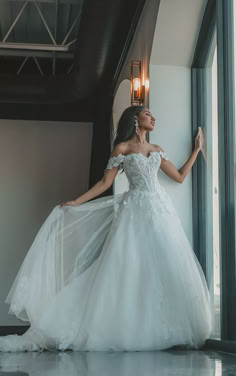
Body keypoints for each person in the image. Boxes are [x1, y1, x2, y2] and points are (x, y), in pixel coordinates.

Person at [0, 105, 213, 352]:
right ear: (135, 119)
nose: (153, 118)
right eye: (147, 114)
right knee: (128, 268)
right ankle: (124, 327)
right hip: (133, 213)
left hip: (160, 212)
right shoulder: (122, 149)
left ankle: (162, 326)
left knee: (164, 265)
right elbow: (104, 183)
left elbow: (178, 176)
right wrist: (76, 202)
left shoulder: (157, 150)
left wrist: (197, 150)